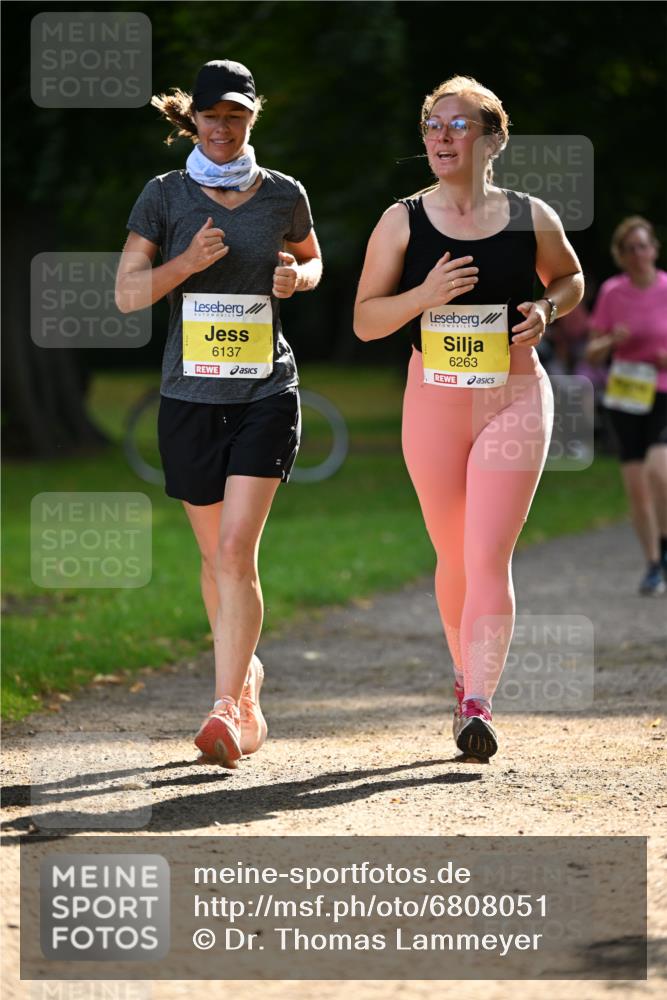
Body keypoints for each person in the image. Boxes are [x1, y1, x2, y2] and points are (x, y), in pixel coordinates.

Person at [354, 76, 583, 760]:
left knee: (487, 553)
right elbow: (365, 320)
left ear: (493, 139)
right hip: (433, 399)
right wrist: (422, 295)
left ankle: (478, 701)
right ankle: (464, 679)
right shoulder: (401, 220)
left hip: (514, 396)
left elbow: (570, 278)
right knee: (452, 552)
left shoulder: (529, 215)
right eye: (433, 125)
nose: (441, 137)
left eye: (458, 125)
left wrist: (546, 309)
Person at [115, 60, 322, 767]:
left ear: (252, 118)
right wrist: (184, 264)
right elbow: (127, 294)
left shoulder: (284, 193)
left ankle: (225, 705)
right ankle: (247, 678)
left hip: (266, 392)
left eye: (237, 115)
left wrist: (297, 276)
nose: (224, 127)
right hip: (190, 399)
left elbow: (313, 259)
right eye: (212, 115)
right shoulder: (164, 195)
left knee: (235, 552)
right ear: (194, 120)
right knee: (215, 560)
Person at [586, 217, 667, 596]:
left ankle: (664, 544)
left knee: (658, 472)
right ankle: (653, 564)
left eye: (643, 246)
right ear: (620, 255)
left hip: (663, 391)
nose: (638, 254)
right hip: (626, 395)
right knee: (636, 487)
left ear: (654, 249)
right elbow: (592, 353)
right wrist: (610, 342)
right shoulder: (612, 293)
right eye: (630, 248)